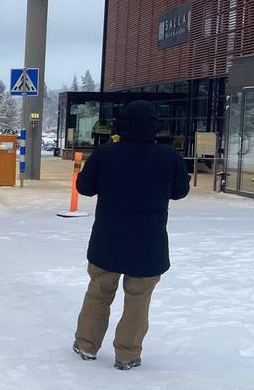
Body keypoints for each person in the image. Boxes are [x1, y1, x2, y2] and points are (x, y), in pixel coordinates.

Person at [71, 100, 189, 369]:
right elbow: (180, 191)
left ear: (121, 125)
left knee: (99, 293)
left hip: (108, 238)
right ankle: (127, 353)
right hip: (148, 241)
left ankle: (87, 344)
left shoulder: (106, 154)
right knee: (138, 299)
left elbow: (85, 187)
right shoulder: (169, 156)